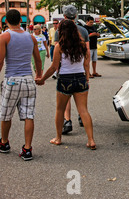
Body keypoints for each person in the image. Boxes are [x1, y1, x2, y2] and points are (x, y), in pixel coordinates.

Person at [36, 20, 96, 150]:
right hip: (80, 78)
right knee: (83, 110)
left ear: (61, 31)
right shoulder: (82, 45)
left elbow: (54, 67)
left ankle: (58, 138)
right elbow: (86, 65)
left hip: (65, 80)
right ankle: (91, 140)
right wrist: (87, 80)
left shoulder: (60, 46)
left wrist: (42, 79)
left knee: (60, 110)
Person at [0, 9, 42, 160]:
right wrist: (39, 75)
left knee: (6, 115)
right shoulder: (31, 38)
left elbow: (0, 60)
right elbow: (37, 59)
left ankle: (4, 143)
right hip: (28, 80)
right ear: (20, 21)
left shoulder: (5, 36)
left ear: (6, 21)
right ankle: (27, 149)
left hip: (12, 80)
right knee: (28, 115)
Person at [54, 6, 90, 134]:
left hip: (65, 74)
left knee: (65, 100)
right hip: (80, 72)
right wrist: (87, 73)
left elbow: (57, 51)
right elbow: (87, 54)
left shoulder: (60, 31)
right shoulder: (84, 31)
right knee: (83, 106)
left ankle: (67, 120)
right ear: (76, 16)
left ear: (64, 16)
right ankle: (89, 135)